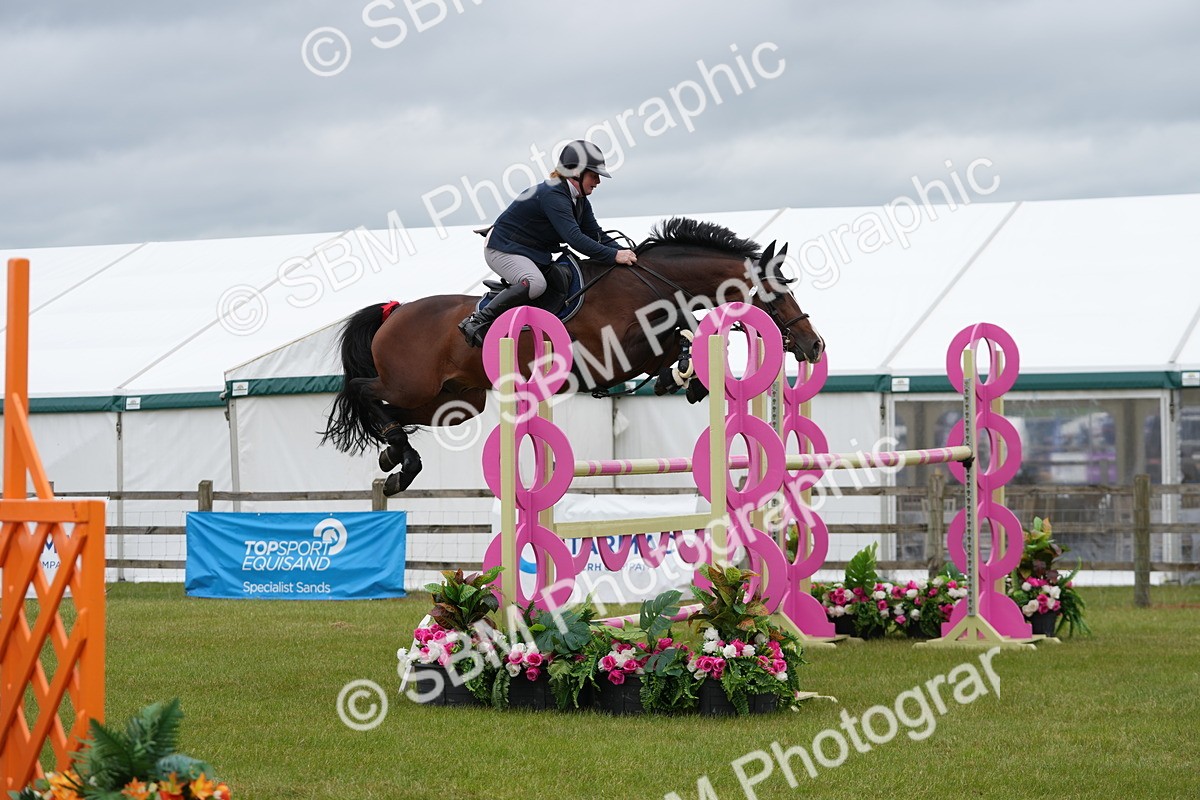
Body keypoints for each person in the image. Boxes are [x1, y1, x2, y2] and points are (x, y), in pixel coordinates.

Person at [458, 139, 638, 347]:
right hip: (502, 249)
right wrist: (615, 255)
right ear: (575, 172)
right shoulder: (553, 194)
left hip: (529, 253)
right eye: (594, 175)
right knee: (536, 283)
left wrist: (630, 252)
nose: (598, 181)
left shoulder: (579, 200)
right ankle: (477, 320)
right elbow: (575, 239)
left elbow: (596, 235)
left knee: (561, 281)